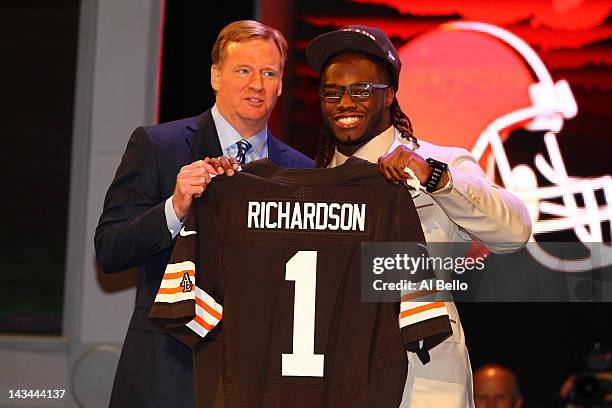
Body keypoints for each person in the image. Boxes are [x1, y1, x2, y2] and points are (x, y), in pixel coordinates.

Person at [306, 25, 532, 407]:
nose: (345, 102)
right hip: (332, 370)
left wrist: (435, 177)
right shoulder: (310, 181)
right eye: (332, 92)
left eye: (361, 90)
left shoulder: (440, 163)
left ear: (390, 94)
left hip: (423, 374)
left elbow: (514, 231)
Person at [95, 20, 312, 407]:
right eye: (243, 70)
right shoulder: (158, 146)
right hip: (170, 374)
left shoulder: (303, 172)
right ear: (215, 75)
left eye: (268, 73)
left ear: (281, 84)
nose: (256, 85)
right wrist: (175, 208)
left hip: (263, 378)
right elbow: (110, 250)